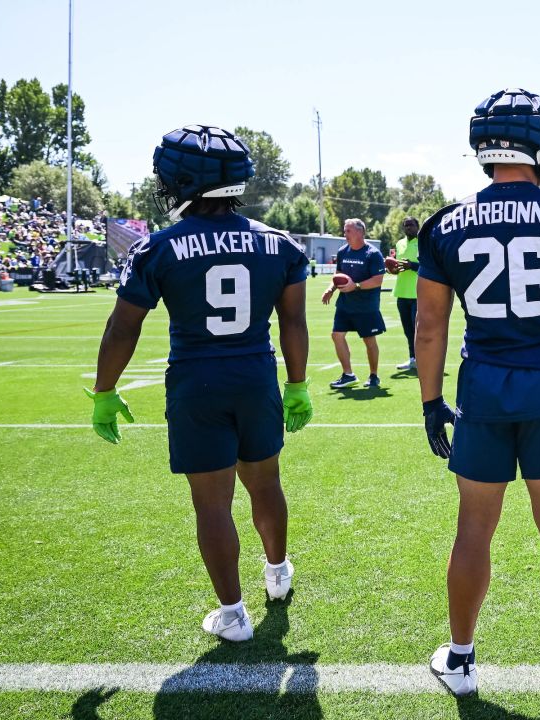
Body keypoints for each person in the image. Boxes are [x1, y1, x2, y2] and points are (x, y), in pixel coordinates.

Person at [415, 88, 540, 697]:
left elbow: (429, 326)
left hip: (481, 385)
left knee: (472, 530)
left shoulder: (444, 223)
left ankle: (459, 661)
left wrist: (430, 401)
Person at [85, 124, 314, 643]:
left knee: (212, 504)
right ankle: (277, 572)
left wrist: (104, 390)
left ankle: (232, 614)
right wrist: (297, 384)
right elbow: (294, 323)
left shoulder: (158, 248)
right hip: (256, 375)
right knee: (266, 482)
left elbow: (124, 326)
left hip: (196, 381)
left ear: (185, 182)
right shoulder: (279, 245)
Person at [322, 218, 386, 389]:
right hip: (344, 304)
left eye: (348, 231)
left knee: (369, 340)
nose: (345, 234)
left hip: (366, 306)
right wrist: (331, 289)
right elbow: (338, 275)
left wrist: (355, 286)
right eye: (345, 230)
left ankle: (374, 376)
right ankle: (348, 374)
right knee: (337, 335)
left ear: (360, 232)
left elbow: (378, 280)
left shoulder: (373, 254)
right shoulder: (343, 251)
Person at [386, 216, 421, 370]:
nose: (408, 228)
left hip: (417, 294)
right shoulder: (399, 244)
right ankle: (412, 359)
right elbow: (398, 267)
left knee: (418, 330)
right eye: (406, 226)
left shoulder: (424, 243)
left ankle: (423, 359)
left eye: (411, 225)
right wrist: (392, 269)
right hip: (401, 292)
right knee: (407, 329)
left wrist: (412, 265)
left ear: (417, 227)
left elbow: (429, 266)